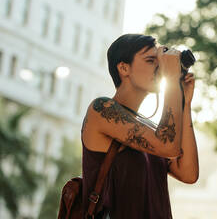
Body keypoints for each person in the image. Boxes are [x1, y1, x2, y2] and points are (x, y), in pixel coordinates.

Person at [81, 34, 199, 219]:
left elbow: (189, 173)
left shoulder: (149, 129)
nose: (159, 67)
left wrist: (185, 103)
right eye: (151, 60)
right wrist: (170, 79)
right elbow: (168, 145)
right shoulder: (102, 110)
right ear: (124, 68)